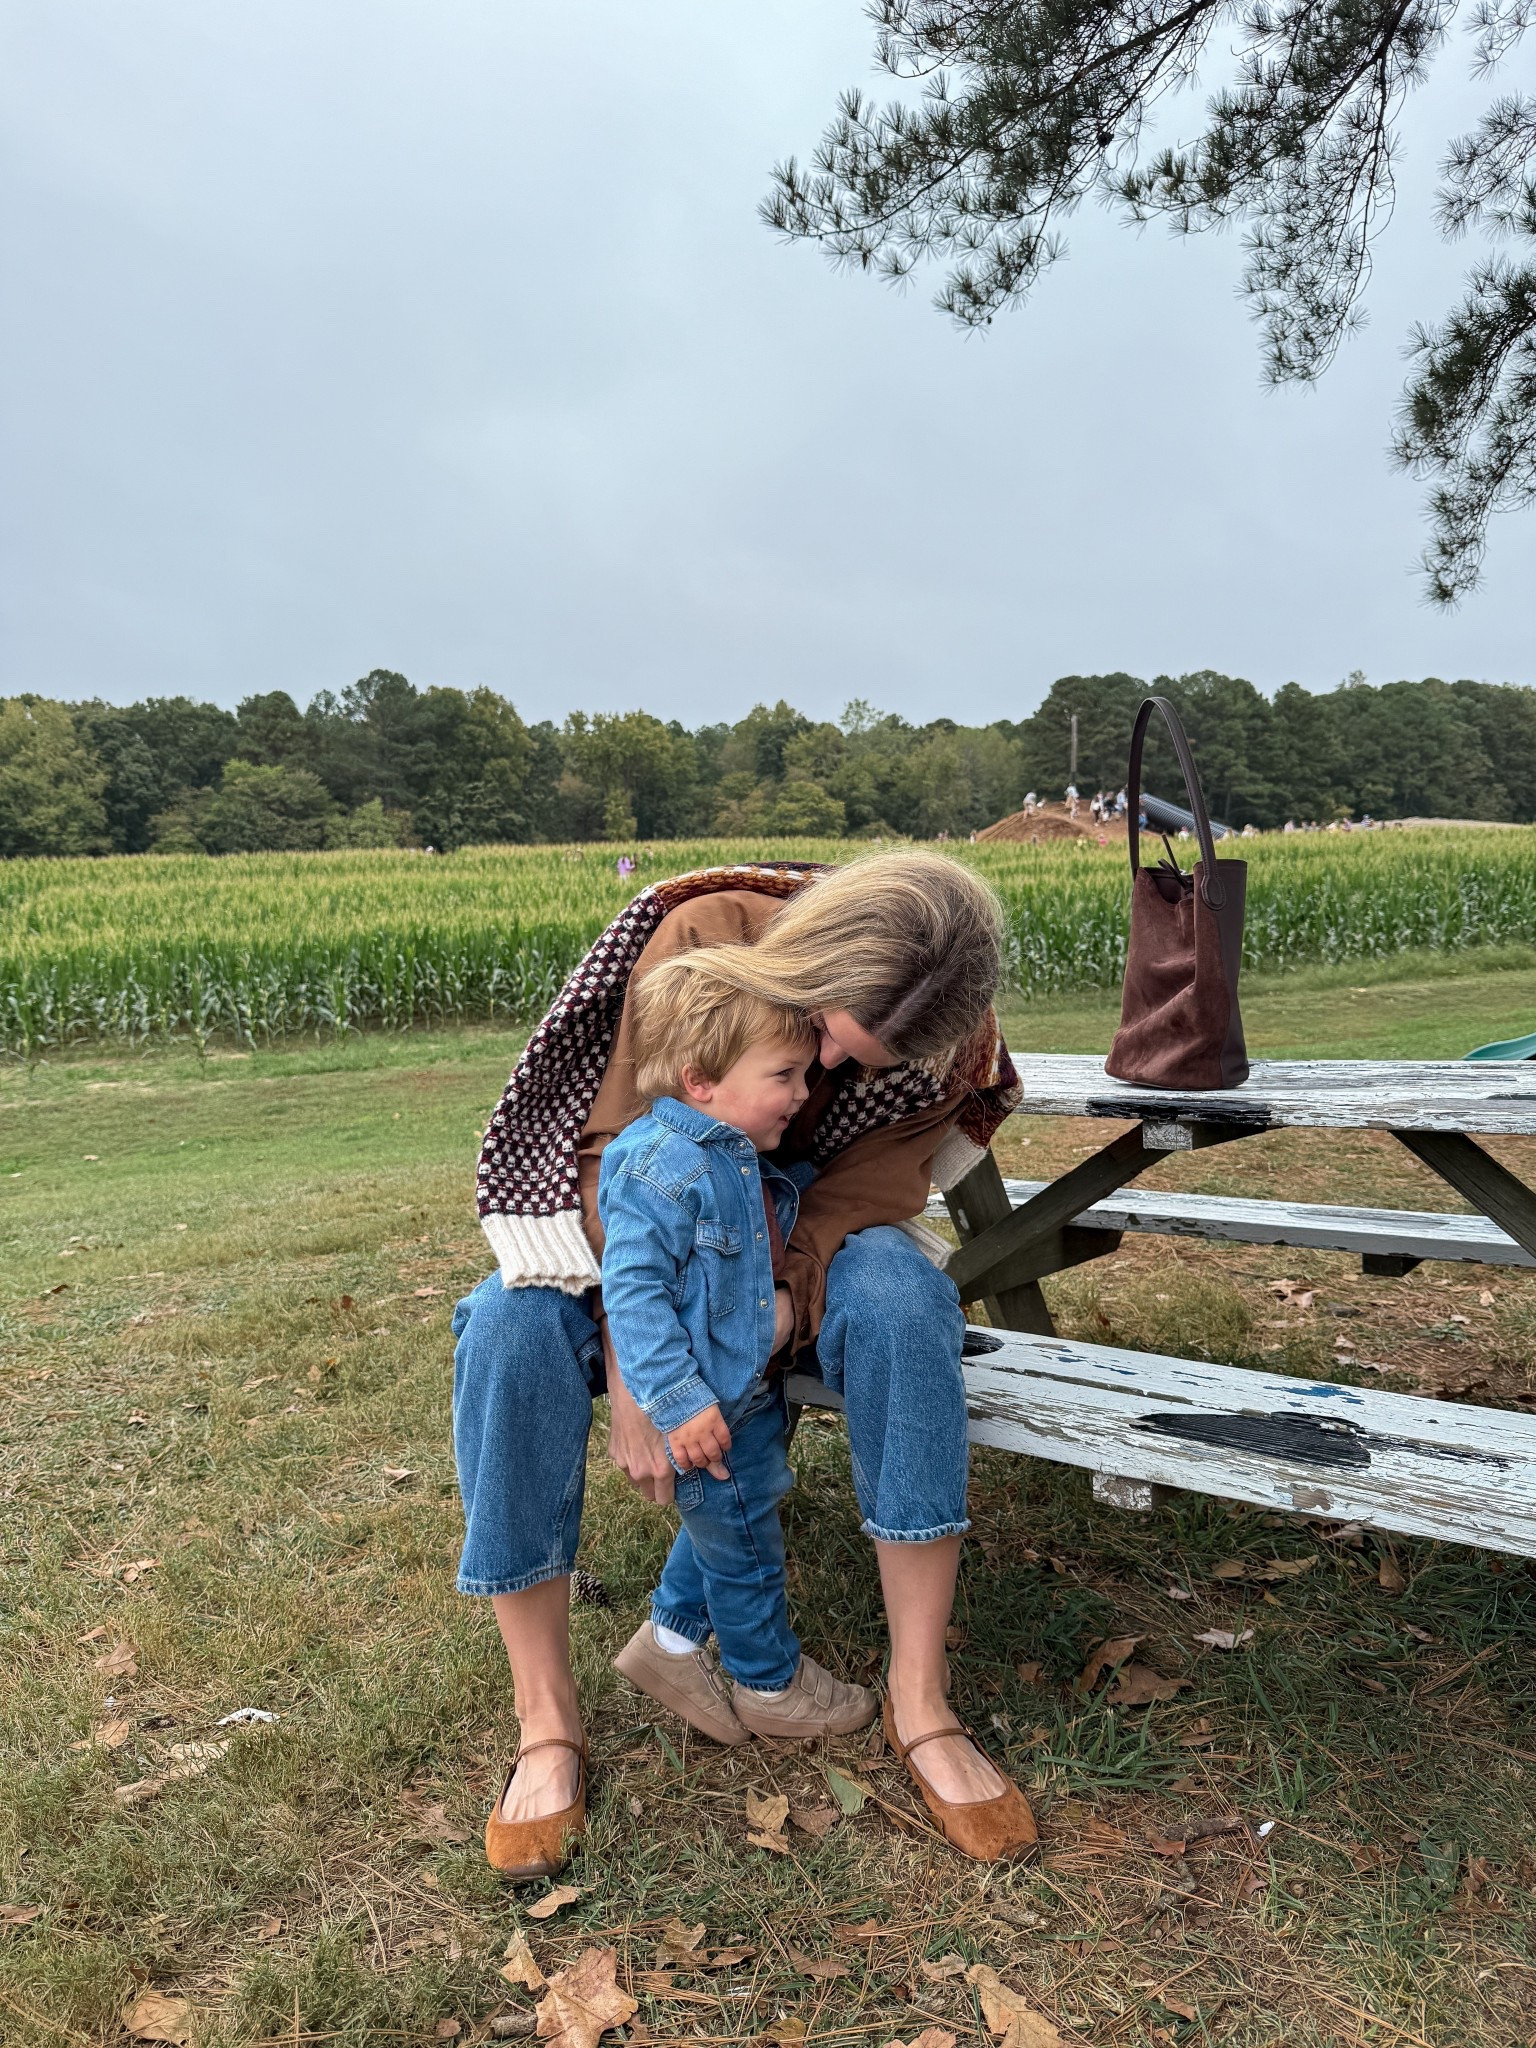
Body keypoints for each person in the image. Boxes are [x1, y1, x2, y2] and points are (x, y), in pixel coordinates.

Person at [452, 850, 1038, 1880]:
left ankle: (919, 1697)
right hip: (644, 1244)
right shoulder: (704, 934)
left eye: (864, 1065)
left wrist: (771, 1313)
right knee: (504, 1329)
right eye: (826, 1043)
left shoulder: (944, 1050)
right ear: (805, 970)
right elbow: (614, 1160)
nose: (835, 1077)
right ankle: (545, 1720)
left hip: (803, 1238)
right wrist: (648, 1374)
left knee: (908, 1301)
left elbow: (858, 1197)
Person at [599, 956, 875, 1743]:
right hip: (703, 1404)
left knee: (732, 1517)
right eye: (783, 1075)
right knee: (746, 1540)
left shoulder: (737, 1155)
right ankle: (770, 1683)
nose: (801, 1092)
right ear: (700, 1081)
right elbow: (634, 1296)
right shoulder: (662, 1168)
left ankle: (673, 1643)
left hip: (744, 1392)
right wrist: (678, 1403)